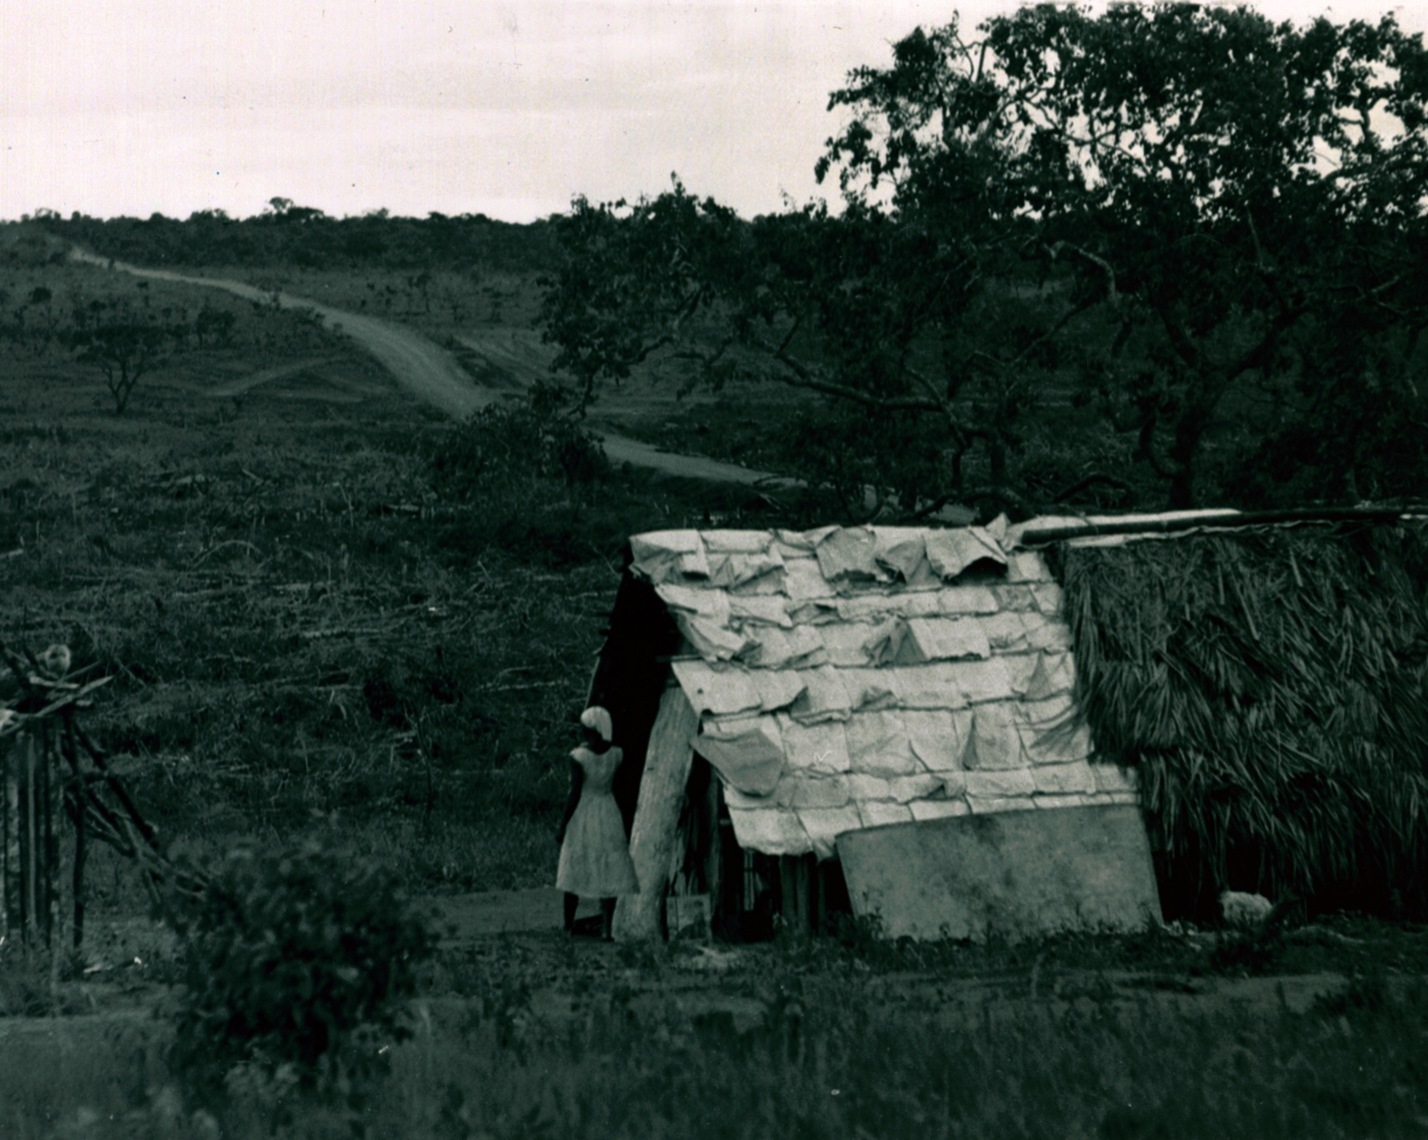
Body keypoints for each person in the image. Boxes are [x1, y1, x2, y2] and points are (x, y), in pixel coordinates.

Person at [556, 706, 639, 939]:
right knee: (608, 868)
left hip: (584, 811)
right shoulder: (616, 754)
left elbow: (574, 792)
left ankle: (568, 926)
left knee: (574, 866)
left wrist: (563, 824)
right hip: (608, 808)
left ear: (590, 729)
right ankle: (606, 929)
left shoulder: (579, 756)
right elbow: (623, 787)